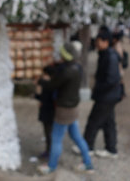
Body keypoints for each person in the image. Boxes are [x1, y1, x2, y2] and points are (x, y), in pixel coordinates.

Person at [37, 41, 94, 175]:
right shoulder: (77, 67)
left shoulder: (66, 72)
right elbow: (59, 72)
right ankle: (88, 163)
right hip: (73, 108)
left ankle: (51, 166)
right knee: (77, 137)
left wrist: (40, 81)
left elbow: (51, 85)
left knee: (56, 138)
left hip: (63, 109)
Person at [82, 28, 122, 159]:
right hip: (109, 95)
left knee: (94, 120)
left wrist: (98, 90)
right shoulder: (105, 54)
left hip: (106, 96)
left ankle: (87, 147)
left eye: (99, 41)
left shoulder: (110, 56)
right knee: (108, 122)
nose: (97, 44)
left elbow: (111, 80)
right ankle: (111, 149)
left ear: (106, 42)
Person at [34, 64, 58, 159]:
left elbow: (44, 99)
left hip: (48, 113)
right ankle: (50, 151)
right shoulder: (51, 85)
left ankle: (50, 152)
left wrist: (36, 94)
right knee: (49, 133)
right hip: (49, 113)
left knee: (49, 133)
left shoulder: (49, 86)